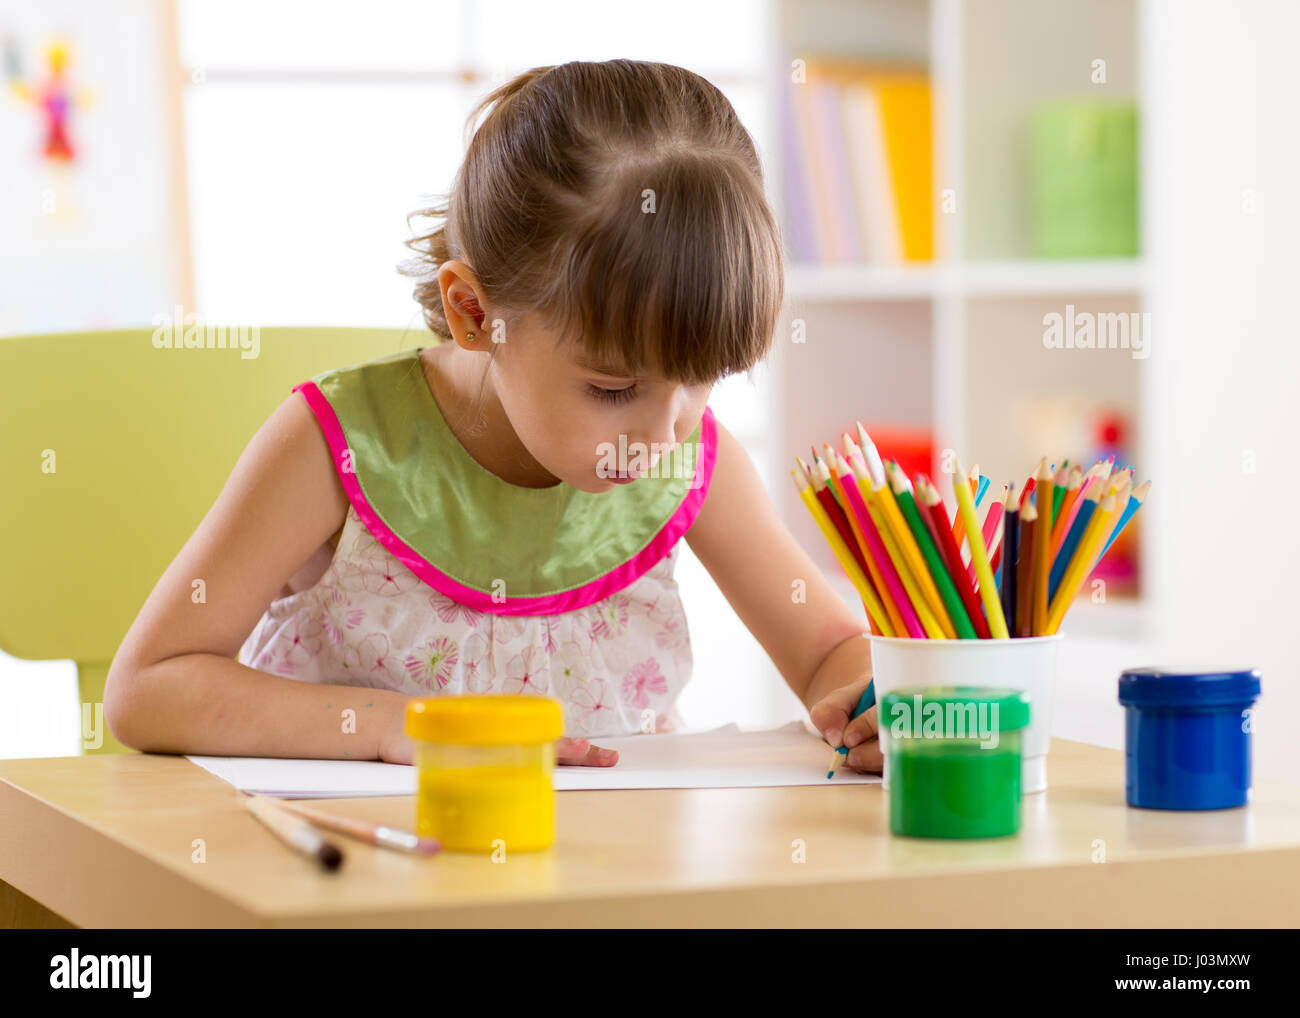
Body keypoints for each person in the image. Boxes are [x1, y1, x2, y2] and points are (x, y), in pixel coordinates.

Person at [105, 60, 881, 773]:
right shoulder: (336, 447)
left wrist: (873, 706)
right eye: (613, 390)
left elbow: (831, 655)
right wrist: (388, 726)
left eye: (704, 379)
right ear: (475, 313)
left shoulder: (694, 461)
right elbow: (149, 688)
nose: (664, 432)